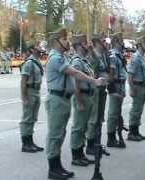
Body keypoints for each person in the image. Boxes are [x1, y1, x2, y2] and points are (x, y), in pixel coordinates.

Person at [45, 27, 103, 180]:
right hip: (57, 99)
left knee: (60, 134)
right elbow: (76, 74)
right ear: (55, 42)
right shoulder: (56, 58)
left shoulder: (62, 57)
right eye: (63, 39)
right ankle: (53, 168)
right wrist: (94, 81)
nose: (67, 41)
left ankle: (57, 167)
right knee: (55, 135)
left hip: (62, 99)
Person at [69, 34, 96, 167]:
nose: (88, 44)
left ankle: (81, 154)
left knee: (84, 126)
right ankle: (76, 155)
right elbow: (76, 84)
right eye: (85, 43)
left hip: (88, 96)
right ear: (79, 45)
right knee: (78, 127)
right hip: (82, 96)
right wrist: (79, 102)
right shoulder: (76, 62)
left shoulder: (84, 60)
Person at [85, 34, 110, 155]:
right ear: (97, 43)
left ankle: (97, 143)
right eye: (103, 41)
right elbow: (92, 73)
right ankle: (90, 145)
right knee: (93, 118)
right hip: (95, 90)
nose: (105, 43)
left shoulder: (103, 55)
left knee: (99, 118)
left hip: (102, 90)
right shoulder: (93, 55)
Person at [19, 41, 45, 153]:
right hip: (29, 91)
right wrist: (24, 97)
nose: (40, 48)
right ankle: (26, 144)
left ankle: (31, 142)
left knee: (33, 118)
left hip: (36, 91)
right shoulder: (29, 62)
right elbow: (23, 80)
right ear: (31, 50)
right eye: (37, 46)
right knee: (27, 119)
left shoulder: (36, 61)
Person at [106, 32, 128, 148]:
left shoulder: (119, 54)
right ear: (115, 42)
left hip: (121, 85)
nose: (123, 43)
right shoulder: (113, 55)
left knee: (117, 112)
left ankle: (115, 135)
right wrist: (112, 90)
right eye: (121, 41)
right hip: (116, 85)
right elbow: (111, 74)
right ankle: (111, 138)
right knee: (113, 113)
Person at [127, 36, 145, 141]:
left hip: (143, 86)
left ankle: (136, 132)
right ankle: (132, 133)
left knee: (139, 110)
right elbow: (130, 75)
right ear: (140, 45)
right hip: (137, 86)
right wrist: (131, 89)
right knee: (135, 110)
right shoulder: (136, 57)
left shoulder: (141, 57)